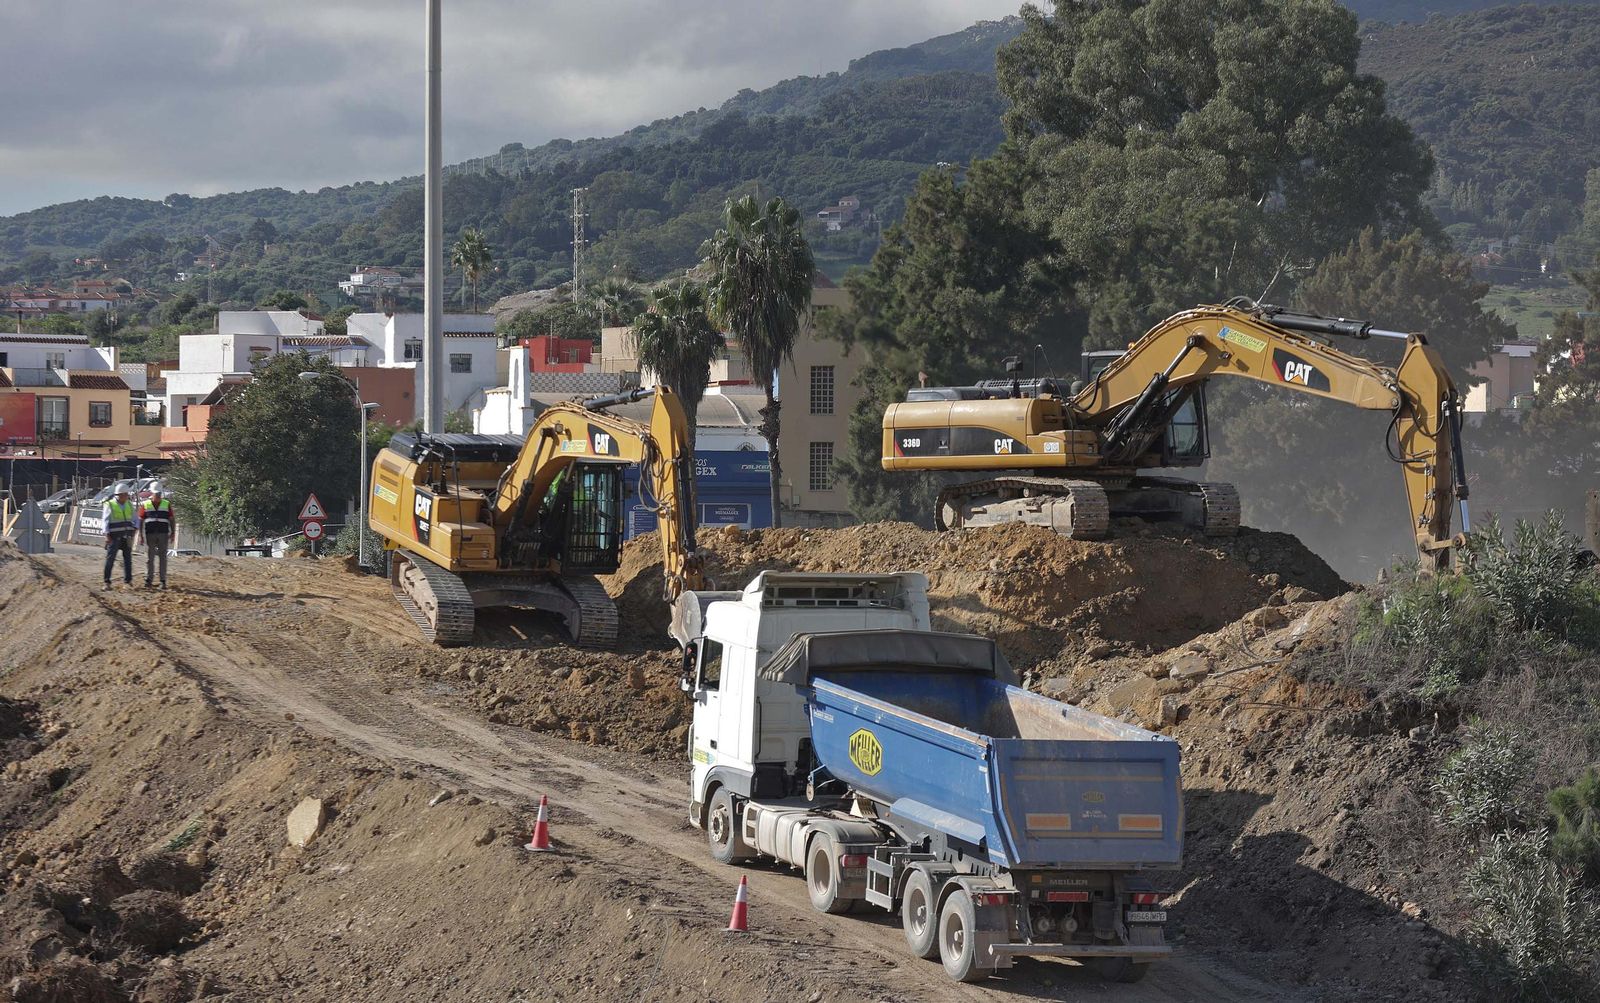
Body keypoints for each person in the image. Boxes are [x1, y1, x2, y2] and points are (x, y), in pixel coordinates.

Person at [137, 483, 176, 589]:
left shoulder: (166, 504)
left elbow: (172, 519)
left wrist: (173, 533)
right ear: (152, 494)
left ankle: (162, 581)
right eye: (156, 494)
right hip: (150, 534)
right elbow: (140, 520)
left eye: (159, 494)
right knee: (150, 558)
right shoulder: (145, 505)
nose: (158, 496)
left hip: (163, 534)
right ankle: (149, 579)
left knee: (163, 558)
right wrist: (140, 535)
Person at [102, 485, 137, 590]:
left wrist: (135, 528)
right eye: (126, 494)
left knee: (128, 559)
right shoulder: (110, 504)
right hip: (114, 536)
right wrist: (107, 535)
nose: (127, 496)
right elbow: (105, 520)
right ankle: (107, 582)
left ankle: (128, 581)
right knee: (110, 559)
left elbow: (135, 518)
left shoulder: (129, 504)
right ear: (120, 495)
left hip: (127, 536)